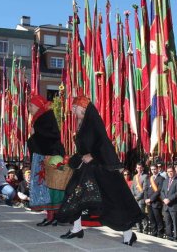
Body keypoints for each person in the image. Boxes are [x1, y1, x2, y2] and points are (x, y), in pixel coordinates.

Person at [56, 96, 143, 245]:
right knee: (73, 193)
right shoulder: (81, 124)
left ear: (82, 108)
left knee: (112, 201)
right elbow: (83, 150)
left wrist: (93, 155)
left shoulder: (92, 123)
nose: (72, 109)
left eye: (74, 107)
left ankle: (128, 234)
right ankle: (77, 228)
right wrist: (73, 160)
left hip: (100, 170)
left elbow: (103, 143)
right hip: (86, 170)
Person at [27, 94, 65, 227]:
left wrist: (35, 132)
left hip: (49, 158)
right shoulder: (40, 118)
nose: (29, 108)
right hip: (45, 157)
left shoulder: (46, 117)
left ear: (38, 105)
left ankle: (53, 216)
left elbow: (53, 136)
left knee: (50, 188)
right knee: (46, 188)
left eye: (31, 105)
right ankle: (50, 216)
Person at [160, 165, 177, 242]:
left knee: (175, 222)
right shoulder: (165, 181)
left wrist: (169, 199)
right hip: (166, 205)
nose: (169, 173)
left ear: (174, 172)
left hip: (174, 205)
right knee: (167, 221)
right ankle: (169, 236)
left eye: (171, 171)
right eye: (168, 172)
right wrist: (164, 199)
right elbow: (162, 191)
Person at [144, 163, 165, 238]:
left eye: (155, 169)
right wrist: (146, 199)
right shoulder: (149, 178)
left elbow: (159, 191)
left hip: (156, 202)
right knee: (151, 218)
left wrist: (151, 199)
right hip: (149, 203)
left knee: (158, 218)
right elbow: (146, 190)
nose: (153, 171)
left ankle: (160, 233)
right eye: (152, 169)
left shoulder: (161, 178)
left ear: (158, 169)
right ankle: (154, 232)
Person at [130, 162, 148, 234]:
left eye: (140, 168)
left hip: (141, 199)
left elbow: (144, 189)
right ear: (136, 168)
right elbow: (132, 187)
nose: (139, 169)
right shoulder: (135, 177)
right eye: (138, 168)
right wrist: (133, 196)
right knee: (136, 213)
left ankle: (145, 228)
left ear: (143, 168)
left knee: (142, 214)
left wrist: (138, 197)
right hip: (135, 198)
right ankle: (138, 228)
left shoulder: (145, 176)